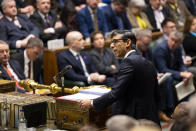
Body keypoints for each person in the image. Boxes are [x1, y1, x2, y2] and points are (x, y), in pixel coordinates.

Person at [79, 30, 160, 125]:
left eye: (115, 41)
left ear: (128, 43)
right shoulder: (147, 62)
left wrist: (92, 103)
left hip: (133, 119)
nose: (111, 46)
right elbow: (157, 94)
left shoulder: (128, 62)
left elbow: (115, 93)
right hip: (150, 117)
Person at [153, 31, 193, 116]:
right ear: (169, 37)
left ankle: (187, 106)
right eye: (172, 40)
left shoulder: (178, 48)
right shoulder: (161, 49)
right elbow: (163, 69)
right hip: (160, 74)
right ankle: (171, 110)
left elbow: (181, 64)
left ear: (180, 42)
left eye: (176, 41)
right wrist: (181, 74)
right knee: (168, 79)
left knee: (190, 74)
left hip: (172, 72)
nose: (173, 43)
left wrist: (185, 72)